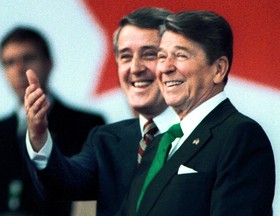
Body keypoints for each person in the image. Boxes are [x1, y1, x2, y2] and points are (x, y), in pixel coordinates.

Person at [24, 8, 178, 216]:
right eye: (125, 56)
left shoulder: (214, 135)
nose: (135, 68)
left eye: (149, 54)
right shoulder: (105, 140)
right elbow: (62, 183)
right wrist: (39, 136)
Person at [121, 11, 275, 216]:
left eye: (180, 55)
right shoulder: (156, 145)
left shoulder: (240, 136)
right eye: (161, 56)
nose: (165, 68)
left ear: (218, 69)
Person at [0, 27, 106, 215]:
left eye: (28, 58)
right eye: (9, 62)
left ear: (48, 63)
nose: (19, 69)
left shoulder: (86, 125)